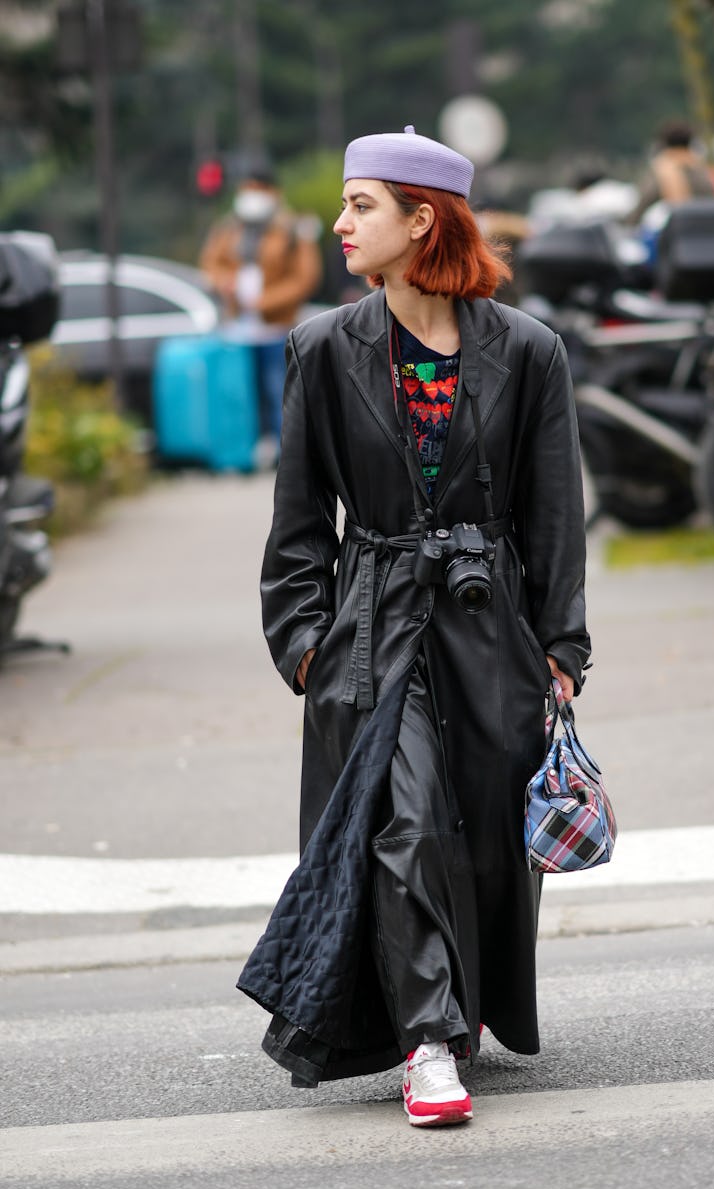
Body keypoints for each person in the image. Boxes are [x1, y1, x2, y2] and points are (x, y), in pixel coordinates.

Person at [237, 125, 591, 1129]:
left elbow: (555, 512)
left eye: (362, 205)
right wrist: (304, 645)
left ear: (422, 219)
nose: (338, 222)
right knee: (401, 820)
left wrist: (560, 649)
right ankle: (427, 1042)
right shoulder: (322, 348)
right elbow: (299, 520)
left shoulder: (527, 351)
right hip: (369, 627)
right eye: (346, 205)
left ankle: (452, 1009)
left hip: (490, 635)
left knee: (472, 838)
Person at [198, 163, 322, 466]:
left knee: (280, 391)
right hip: (238, 328)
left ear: (273, 193)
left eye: (257, 189)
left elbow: (306, 278)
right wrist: (223, 282)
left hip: (276, 326)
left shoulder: (294, 228)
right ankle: (242, 453)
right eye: (246, 189)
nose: (250, 196)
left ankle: (287, 454)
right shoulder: (228, 228)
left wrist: (265, 302)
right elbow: (210, 265)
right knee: (240, 393)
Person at [626, 119, 714, 226]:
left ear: (663, 144)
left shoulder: (661, 170)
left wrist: (629, 223)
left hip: (677, 232)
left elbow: (644, 202)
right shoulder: (707, 171)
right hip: (708, 230)